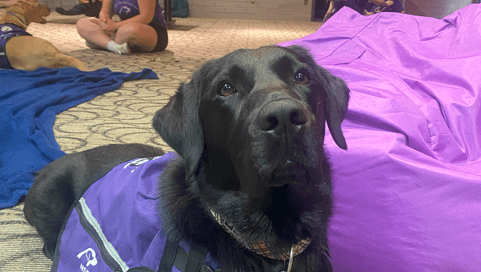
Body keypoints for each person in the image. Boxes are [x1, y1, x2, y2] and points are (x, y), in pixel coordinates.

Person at [76, 0, 168, 55]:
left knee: (129, 30)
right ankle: (114, 47)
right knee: (83, 23)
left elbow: (146, 17)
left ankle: (101, 42)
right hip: (121, 28)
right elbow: (105, 12)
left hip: (151, 31)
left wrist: (115, 25)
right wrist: (105, 19)